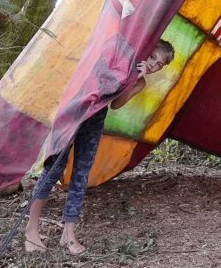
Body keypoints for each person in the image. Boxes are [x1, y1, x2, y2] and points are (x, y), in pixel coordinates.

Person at [23, 40, 175, 254]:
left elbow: (116, 104)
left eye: (159, 64)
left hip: (95, 119)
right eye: (152, 57)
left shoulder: (140, 82)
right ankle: (31, 230)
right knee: (54, 168)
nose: (153, 65)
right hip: (75, 110)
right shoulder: (121, 58)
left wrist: (135, 78)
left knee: (81, 173)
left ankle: (68, 234)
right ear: (147, 49)